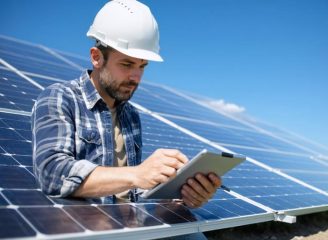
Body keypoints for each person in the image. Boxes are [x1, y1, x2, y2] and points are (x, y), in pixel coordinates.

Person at [32, 0, 220, 222]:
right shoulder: (59, 98)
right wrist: (138, 173)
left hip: (130, 227)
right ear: (96, 57)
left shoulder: (130, 115)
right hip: (84, 231)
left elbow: (129, 191)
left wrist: (181, 195)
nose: (136, 78)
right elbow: (51, 173)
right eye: (127, 65)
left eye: (142, 66)